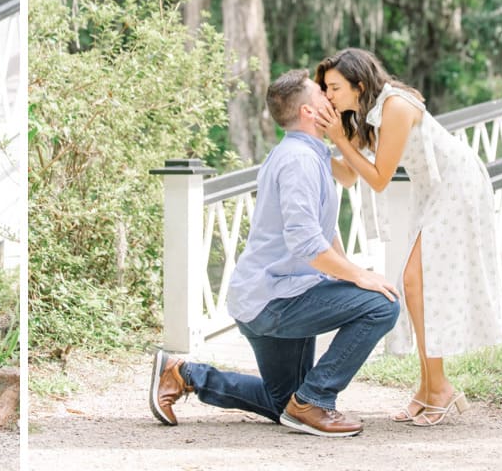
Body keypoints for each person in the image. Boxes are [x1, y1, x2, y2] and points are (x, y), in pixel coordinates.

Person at [149, 69, 400, 437]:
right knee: (383, 304)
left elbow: (323, 230)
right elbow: (305, 243)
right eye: (322, 95)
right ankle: (315, 401)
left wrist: (346, 269)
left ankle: (181, 374)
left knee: (283, 403)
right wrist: (360, 277)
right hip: (275, 300)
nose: (331, 99)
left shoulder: (310, 154)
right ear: (308, 114)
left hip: (275, 295)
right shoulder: (299, 160)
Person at [314, 47, 501, 426]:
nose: (328, 96)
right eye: (325, 89)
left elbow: (379, 179)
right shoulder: (366, 116)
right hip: (432, 190)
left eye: (333, 88)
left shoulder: (396, 106)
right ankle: (429, 388)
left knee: (416, 281)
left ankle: (440, 387)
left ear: (359, 84)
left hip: (457, 184)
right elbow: (350, 175)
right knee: (415, 284)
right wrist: (313, 146)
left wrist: (339, 137)